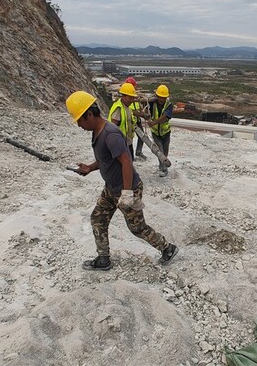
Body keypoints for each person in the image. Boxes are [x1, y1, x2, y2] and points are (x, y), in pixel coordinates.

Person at [65, 90, 178, 270]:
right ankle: (103, 259)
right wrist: (89, 167)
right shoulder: (98, 132)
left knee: (137, 228)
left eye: (80, 119)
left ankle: (168, 248)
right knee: (98, 218)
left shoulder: (110, 134)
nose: (79, 124)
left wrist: (127, 194)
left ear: (89, 114)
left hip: (127, 188)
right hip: (111, 188)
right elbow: (106, 159)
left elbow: (126, 162)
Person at [147, 84, 173, 177]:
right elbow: (145, 107)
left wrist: (153, 123)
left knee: (165, 152)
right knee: (160, 151)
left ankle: (162, 166)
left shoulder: (168, 105)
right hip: (155, 133)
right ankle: (164, 169)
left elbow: (164, 117)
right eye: (160, 97)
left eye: (164, 98)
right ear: (157, 96)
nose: (162, 100)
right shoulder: (152, 103)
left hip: (165, 132)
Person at [108, 82, 138, 160]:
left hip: (127, 142)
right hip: (120, 144)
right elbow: (112, 127)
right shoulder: (119, 108)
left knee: (130, 164)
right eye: (130, 98)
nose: (132, 100)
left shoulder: (127, 108)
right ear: (123, 96)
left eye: (133, 98)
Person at [125, 77, 146, 159]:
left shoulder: (135, 96)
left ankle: (138, 152)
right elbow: (130, 110)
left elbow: (138, 107)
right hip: (130, 121)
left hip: (137, 120)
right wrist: (141, 114)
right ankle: (131, 155)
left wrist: (141, 111)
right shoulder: (126, 97)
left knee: (142, 136)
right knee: (130, 138)